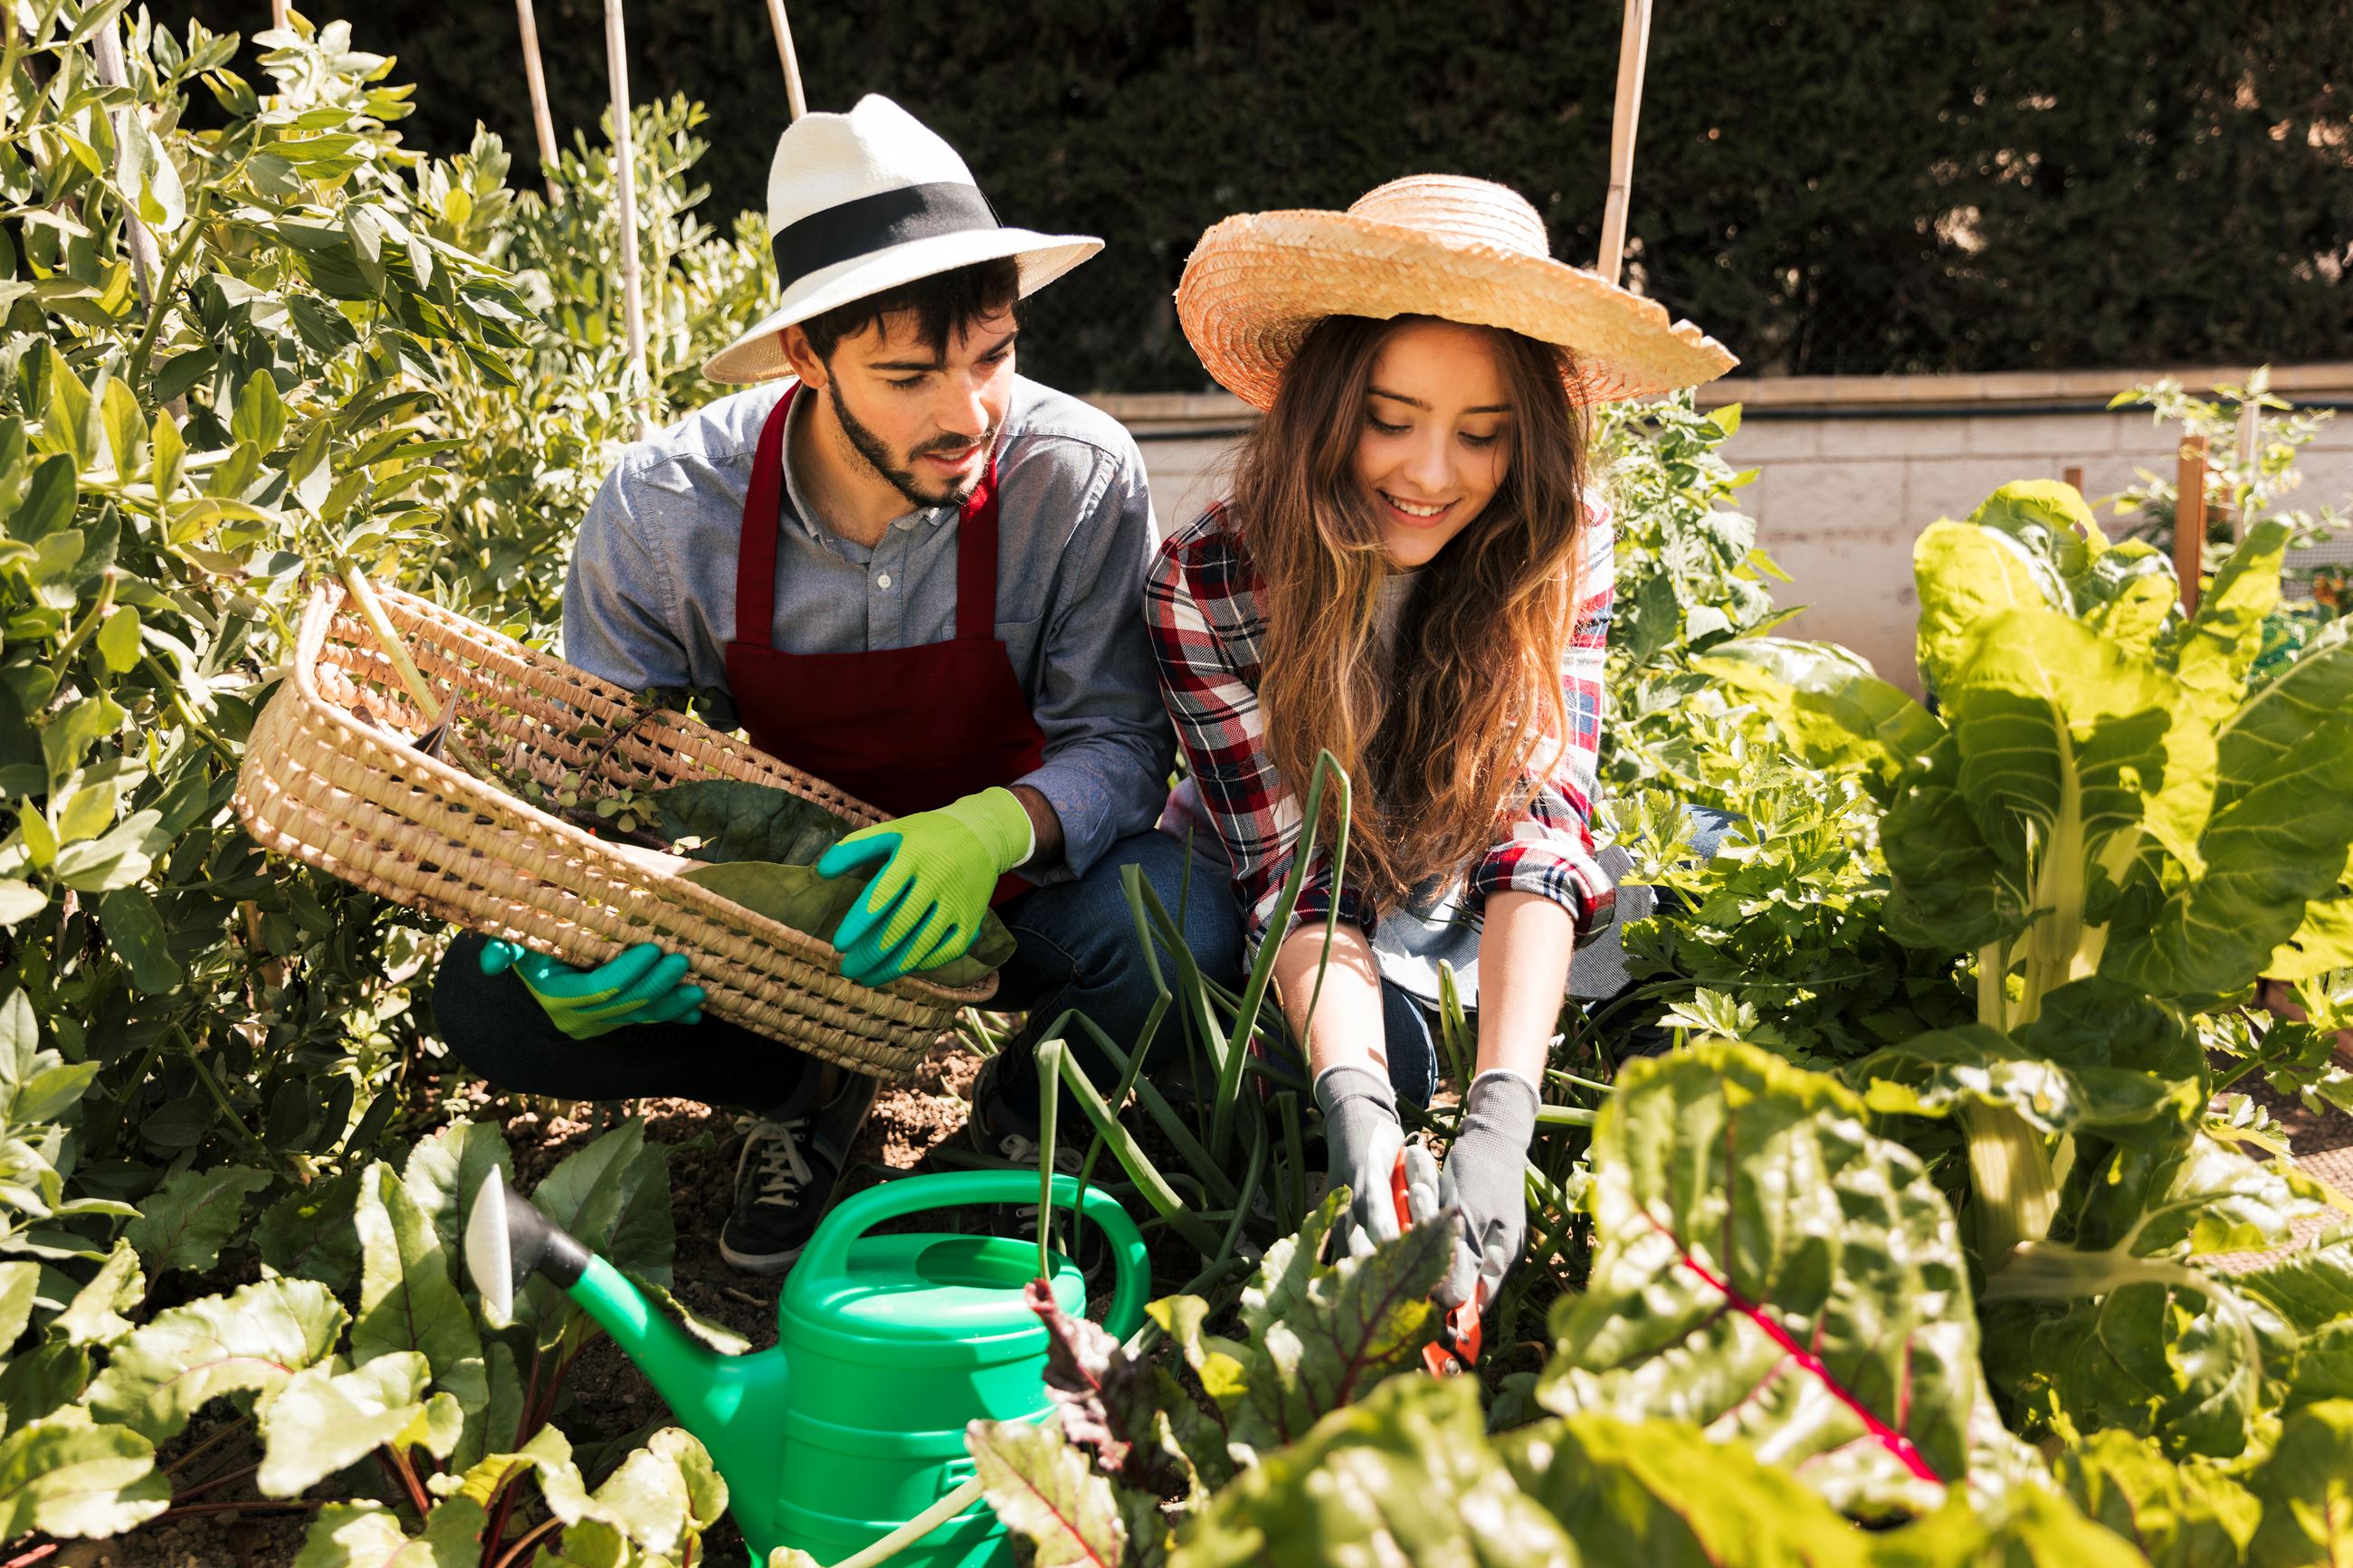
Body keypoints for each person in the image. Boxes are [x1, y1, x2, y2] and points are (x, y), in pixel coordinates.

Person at [433, 95, 1239, 1273]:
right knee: (490, 998)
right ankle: (799, 1083)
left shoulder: (1073, 475)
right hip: (795, 922)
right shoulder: (668, 510)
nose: (967, 413)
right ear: (807, 357)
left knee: (1182, 921)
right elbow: (602, 774)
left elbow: (1120, 738)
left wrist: (988, 832)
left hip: (1011, 894)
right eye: (909, 373)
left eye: (992, 357)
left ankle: (1017, 1123)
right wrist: (582, 925)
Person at [1148, 175, 1736, 1307]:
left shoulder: (1561, 544)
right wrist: (1358, 1104)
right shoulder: (1209, 578)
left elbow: (1536, 827)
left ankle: (1502, 1079)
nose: (1428, 474)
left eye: (1481, 435)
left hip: (1461, 882)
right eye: (1388, 419)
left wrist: (1504, 1109)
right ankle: (1334, 1074)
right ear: (1324, 404)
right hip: (1299, 921)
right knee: (1384, 1062)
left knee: (1693, 872)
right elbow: (1297, 876)